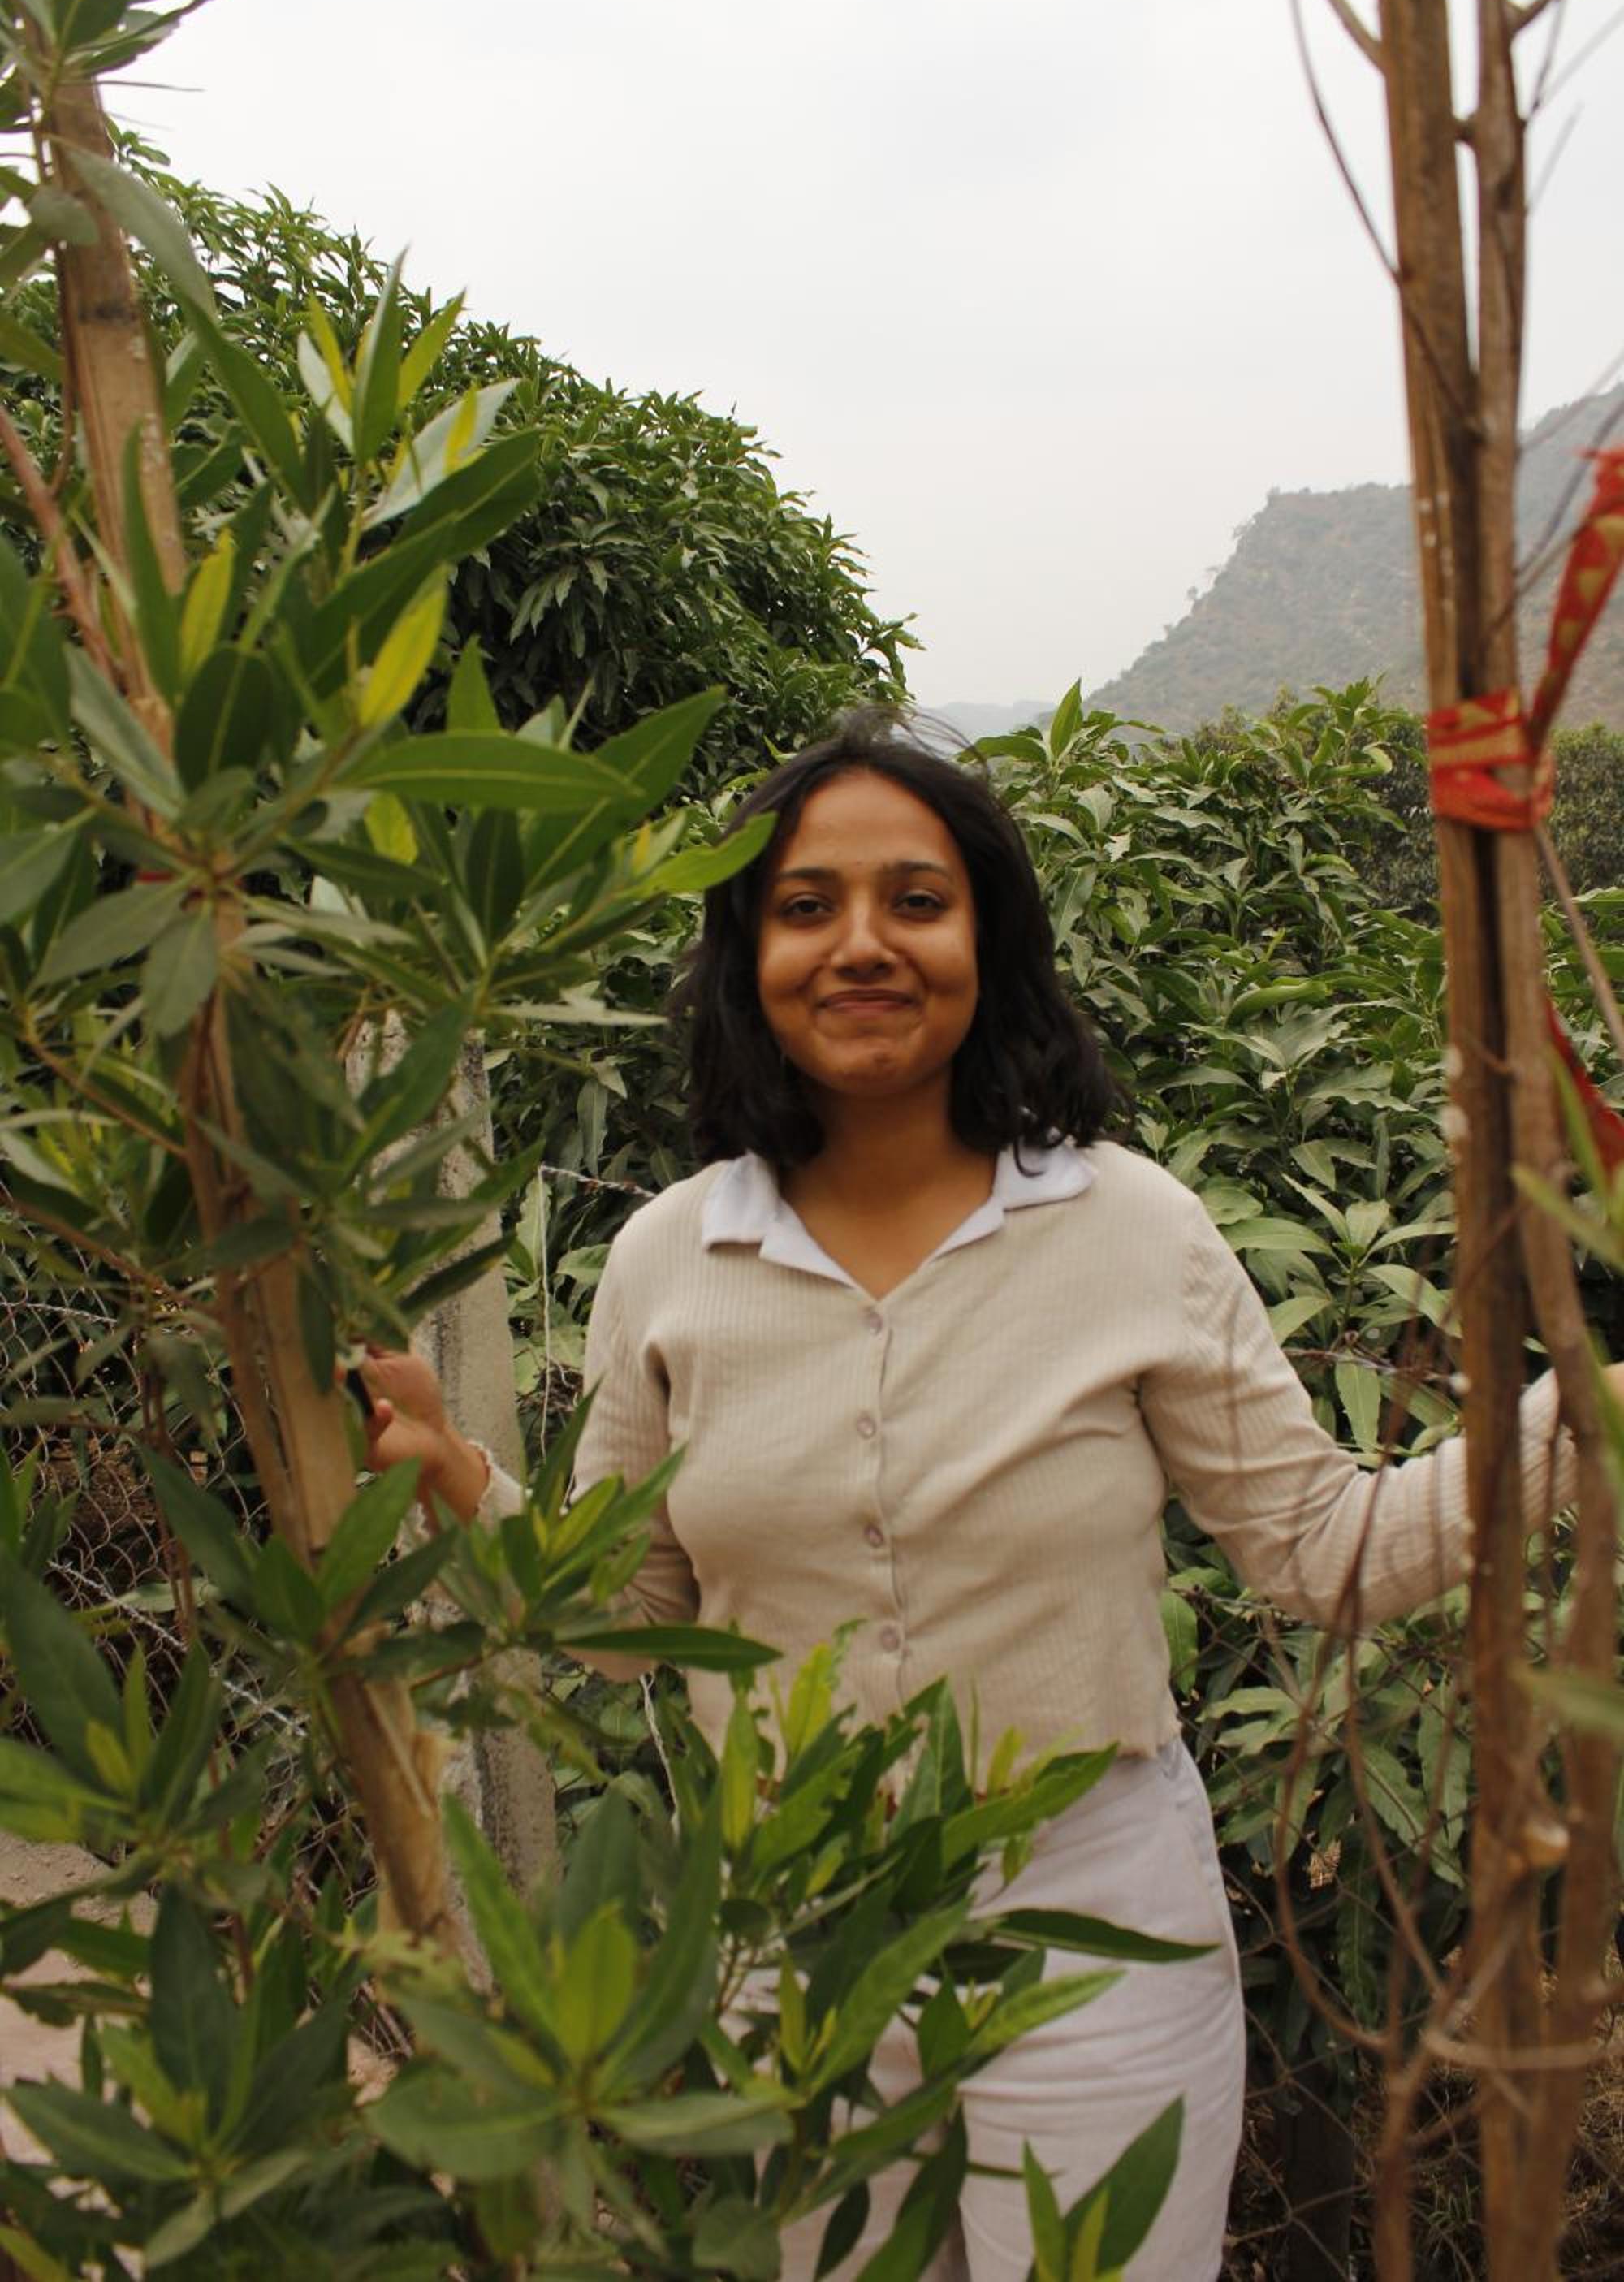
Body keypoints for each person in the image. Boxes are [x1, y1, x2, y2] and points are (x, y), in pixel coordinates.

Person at [362, 708, 1594, 2282]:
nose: (862, 945)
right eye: (807, 906)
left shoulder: (1129, 1229)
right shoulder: (668, 1261)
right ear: (748, 955)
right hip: (784, 1941)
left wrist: (1581, 1418)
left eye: (917, 901)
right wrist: (461, 1484)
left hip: (1089, 1925)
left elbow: (1320, 1552)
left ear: (987, 943)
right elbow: (632, 1622)